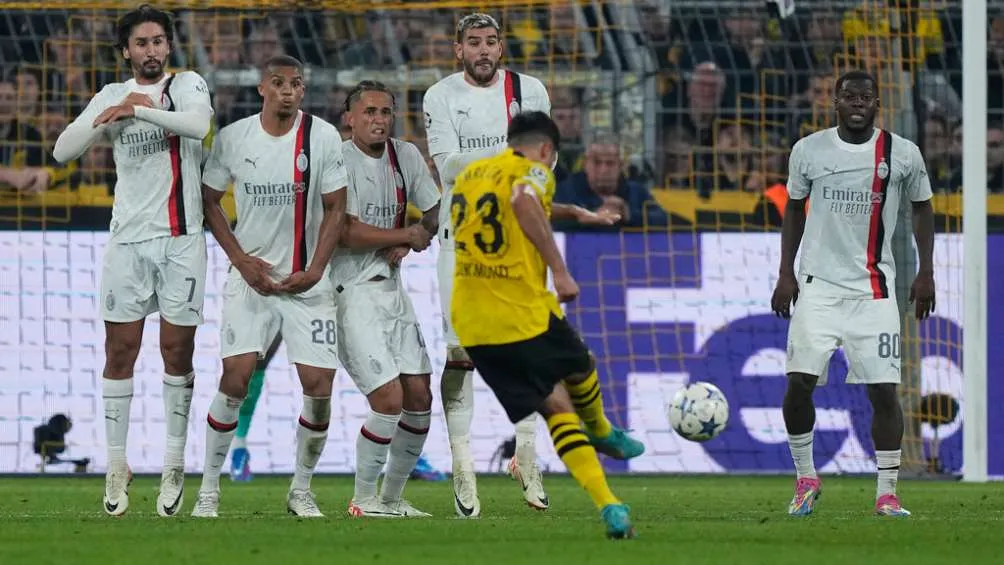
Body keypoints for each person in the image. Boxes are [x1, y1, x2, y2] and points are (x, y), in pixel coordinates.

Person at [423, 12, 619, 517]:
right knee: (460, 353)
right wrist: (509, 162)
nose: (483, 50)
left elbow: (544, 163)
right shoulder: (439, 95)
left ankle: (526, 456)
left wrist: (501, 167)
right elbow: (446, 165)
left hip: (521, 241)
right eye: (473, 43)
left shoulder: (529, 89)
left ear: (502, 47)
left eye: (491, 41)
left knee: (530, 343)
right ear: (458, 49)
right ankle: (463, 464)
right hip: (461, 241)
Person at [51, 4, 213, 518]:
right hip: (127, 243)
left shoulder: (186, 85)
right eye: (141, 43)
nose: (151, 50)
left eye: (158, 41)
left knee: (176, 352)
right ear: (125, 51)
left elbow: (199, 126)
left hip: (181, 240)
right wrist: (104, 117)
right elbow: (61, 152)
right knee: (119, 352)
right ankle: (116, 465)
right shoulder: (109, 95)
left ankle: (172, 463)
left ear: (168, 47)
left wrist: (139, 109)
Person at [450, 110, 643, 539]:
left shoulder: (472, 175)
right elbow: (523, 199)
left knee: (556, 408)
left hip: (473, 325)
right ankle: (603, 430)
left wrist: (579, 213)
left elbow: (519, 205)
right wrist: (560, 270)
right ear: (546, 150)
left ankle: (610, 506)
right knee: (583, 366)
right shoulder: (533, 170)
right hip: (521, 312)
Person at [770, 70, 936, 517]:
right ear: (836, 103)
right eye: (849, 96)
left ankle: (887, 492)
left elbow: (923, 207)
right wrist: (785, 274)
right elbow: (793, 209)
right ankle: (805, 478)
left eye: (866, 97)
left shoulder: (903, 154)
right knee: (798, 384)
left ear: (877, 104)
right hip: (817, 288)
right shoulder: (808, 151)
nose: (857, 103)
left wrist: (927, 271)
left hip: (874, 292)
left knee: (884, 392)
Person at [193, 54, 347, 518]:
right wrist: (240, 261)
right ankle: (209, 489)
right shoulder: (235, 138)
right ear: (262, 88)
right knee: (235, 378)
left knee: (318, 388)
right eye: (278, 83)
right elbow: (207, 200)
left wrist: (317, 270)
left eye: (296, 84)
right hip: (250, 280)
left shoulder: (321, 137)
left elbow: (336, 209)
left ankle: (301, 490)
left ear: (303, 91)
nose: (288, 90)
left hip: (307, 281)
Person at [332, 80, 440, 517]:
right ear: (350, 118)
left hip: (391, 291)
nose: (379, 120)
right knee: (389, 400)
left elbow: (436, 210)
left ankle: (392, 499)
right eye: (370, 112)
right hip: (348, 292)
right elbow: (347, 231)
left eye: (386, 113)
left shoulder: (405, 155)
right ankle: (362, 498)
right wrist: (403, 234)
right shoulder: (339, 159)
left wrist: (414, 238)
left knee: (420, 397)